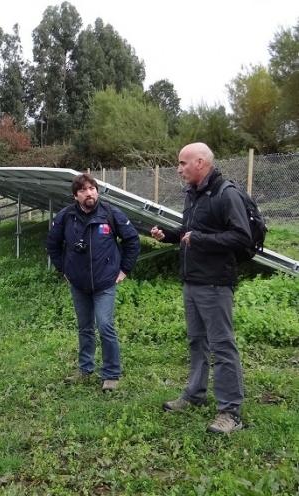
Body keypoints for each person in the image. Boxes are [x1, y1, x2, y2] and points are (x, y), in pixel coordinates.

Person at [150, 142, 250, 434]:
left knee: (222, 346)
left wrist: (200, 239)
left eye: (183, 163)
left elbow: (241, 237)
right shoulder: (193, 194)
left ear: (201, 162)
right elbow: (189, 232)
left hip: (216, 283)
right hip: (192, 281)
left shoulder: (225, 193)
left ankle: (230, 412)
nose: (179, 169)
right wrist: (168, 236)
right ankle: (195, 395)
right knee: (197, 341)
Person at [46, 173, 140, 392]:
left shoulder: (110, 213)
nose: (89, 193)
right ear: (75, 196)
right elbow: (52, 244)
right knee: (85, 327)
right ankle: (85, 369)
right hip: (78, 284)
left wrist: (124, 269)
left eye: (92, 188)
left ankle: (111, 373)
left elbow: (132, 240)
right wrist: (64, 269)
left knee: (105, 325)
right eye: (83, 190)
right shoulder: (66, 216)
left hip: (105, 283)